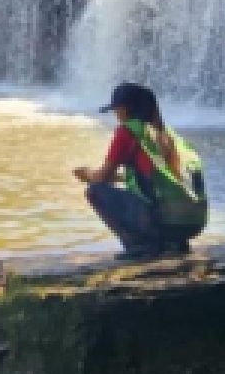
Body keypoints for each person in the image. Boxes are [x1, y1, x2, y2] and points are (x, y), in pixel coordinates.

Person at [72, 82, 207, 260]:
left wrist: (88, 174)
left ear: (126, 108)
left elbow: (101, 178)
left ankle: (139, 246)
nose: (116, 114)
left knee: (95, 191)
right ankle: (174, 244)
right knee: (140, 196)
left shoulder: (128, 131)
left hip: (163, 221)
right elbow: (161, 179)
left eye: (116, 109)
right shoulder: (167, 134)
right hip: (194, 223)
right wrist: (118, 178)